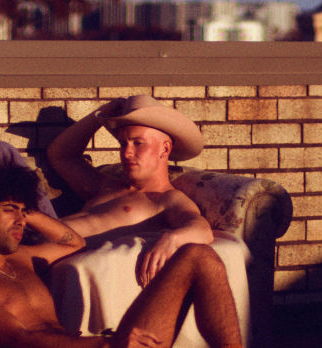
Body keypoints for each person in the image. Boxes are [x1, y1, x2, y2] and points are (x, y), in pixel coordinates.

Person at [0, 143, 242, 348]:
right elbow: (21, 339)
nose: (21, 221)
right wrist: (104, 344)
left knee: (198, 255)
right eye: (8, 210)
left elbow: (73, 242)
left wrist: (31, 212)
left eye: (23, 211)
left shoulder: (24, 258)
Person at [46, 95, 213, 285]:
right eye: (123, 143)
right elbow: (60, 155)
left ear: (165, 149)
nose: (126, 153)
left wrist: (172, 239)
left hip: (49, 262)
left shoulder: (166, 200)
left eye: (138, 143)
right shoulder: (105, 186)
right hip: (32, 239)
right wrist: (100, 114)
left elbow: (202, 229)